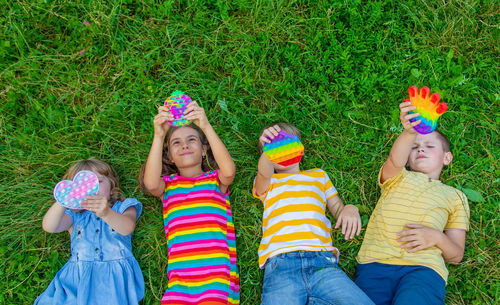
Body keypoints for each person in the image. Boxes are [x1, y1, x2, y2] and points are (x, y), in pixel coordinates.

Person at [355, 101, 470, 305]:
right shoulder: (398, 177)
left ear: (447, 158)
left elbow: (456, 255)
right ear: (407, 159)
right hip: (375, 264)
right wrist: (409, 133)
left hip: (424, 269)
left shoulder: (455, 196)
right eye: (414, 147)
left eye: (429, 146)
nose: (421, 150)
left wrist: (436, 237)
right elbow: (394, 160)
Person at [253, 123, 374, 305]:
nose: (280, 148)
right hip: (281, 264)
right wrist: (268, 152)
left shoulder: (318, 176)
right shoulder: (268, 182)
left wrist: (350, 208)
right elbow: (264, 171)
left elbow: (337, 208)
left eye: (286, 141)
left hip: (322, 263)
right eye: (272, 145)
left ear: (300, 146)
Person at [140, 100, 239, 304]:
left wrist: (205, 125)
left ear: (204, 150)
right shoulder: (167, 187)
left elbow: (229, 170)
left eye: (191, 139)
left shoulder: (215, 181)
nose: (184, 145)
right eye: (176, 142)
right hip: (179, 282)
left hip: (217, 278)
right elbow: (150, 184)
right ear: (169, 157)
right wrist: (159, 136)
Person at [35, 158, 144, 305]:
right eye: (82, 186)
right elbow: (50, 227)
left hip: (113, 277)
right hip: (79, 278)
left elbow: (127, 228)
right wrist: (64, 200)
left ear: (112, 186)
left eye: (98, 182)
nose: (90, 188)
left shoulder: (122, 207)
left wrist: (106, 212)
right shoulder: (74, 215)